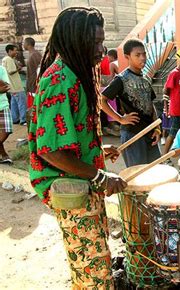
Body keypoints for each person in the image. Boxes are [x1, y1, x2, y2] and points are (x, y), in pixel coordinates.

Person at [28, 7, 128, 289]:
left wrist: (98, 148)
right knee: (93, 272)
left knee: (93, 262)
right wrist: (99, 175)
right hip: (71, 188)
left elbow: (69, 133)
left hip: (81, 181)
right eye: (95, 42)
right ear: (74, 41)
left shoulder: (75, 72)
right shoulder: (59, 79)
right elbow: (49, 150)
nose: (102, 49)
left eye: (102, 40)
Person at [102, 38, 161, 167]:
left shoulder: (146, 79)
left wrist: (157, 128)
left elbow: (151, 105)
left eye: (144, 54)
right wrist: (120, 119)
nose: (142, 58)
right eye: (137, 55)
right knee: (137, 175)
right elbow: (102, 100)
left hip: (149, 133)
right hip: (133, 134)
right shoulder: (121, 79)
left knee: (156, 172)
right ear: (127, 57)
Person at [2, 44, 27, 125]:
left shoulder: (6, 59)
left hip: (11, 87)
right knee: (22, 102)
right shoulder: (9, 59)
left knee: (14, 103)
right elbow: (11, 71)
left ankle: (15, 119)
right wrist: (18, 68)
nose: (16, 52)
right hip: (16, 86)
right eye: (15, 50)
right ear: (10, 51)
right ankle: (23, 120)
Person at [23, 37, 42, 109]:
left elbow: (40, 70)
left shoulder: (35, 55)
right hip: (31, 86)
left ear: (28, 44)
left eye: (24, 43)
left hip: (35, 87)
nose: (23, 45)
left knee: (35, 109)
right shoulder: (32, 54)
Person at [0, 66, 12, 164]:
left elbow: (6, 87)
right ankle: (4, 155)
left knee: (7, 130)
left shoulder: (1, 69)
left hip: (2, 105)